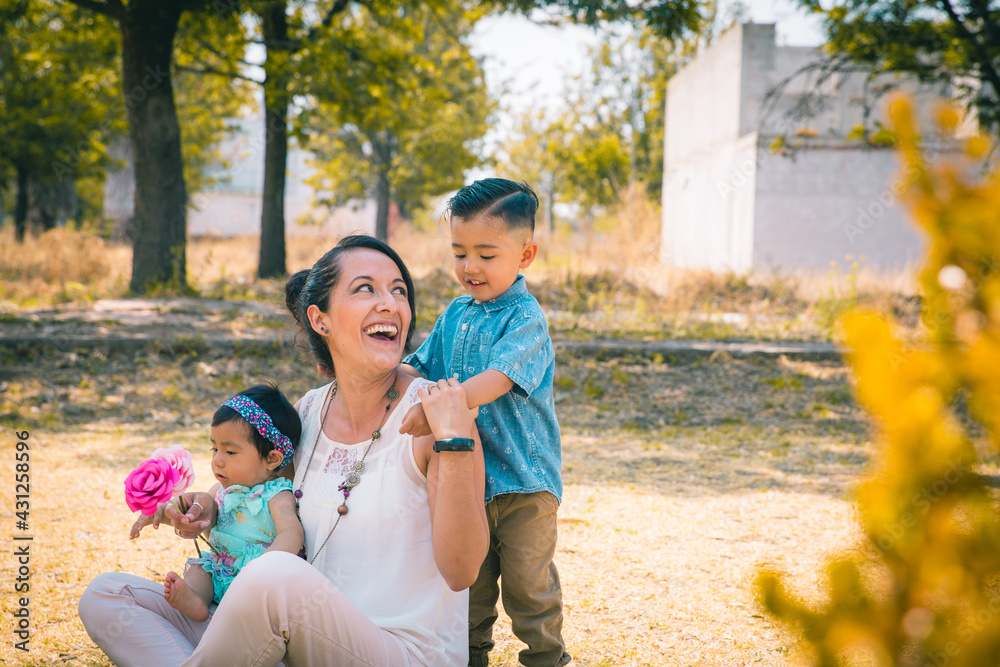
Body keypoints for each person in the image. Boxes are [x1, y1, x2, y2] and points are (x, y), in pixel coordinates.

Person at [78, 235, 489, 666]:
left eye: (399, 290)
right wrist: (198, 507)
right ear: (320, 319)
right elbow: (252, 495)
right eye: (366, 288)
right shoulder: (308, 411)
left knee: (275, 574)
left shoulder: (437, 415)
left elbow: (462, 572)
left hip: (397, 653)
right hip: (291, 637)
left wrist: (455, 440)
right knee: (108, 596)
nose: (390, 303)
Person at [398, 178, 571, 667]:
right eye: (459, 252)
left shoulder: (525, 320)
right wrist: (380, 376)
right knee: (469, 589)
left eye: (486, 254)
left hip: (523, 484)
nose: (470, 267)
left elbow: (495, 380)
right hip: (468, 483)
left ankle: (546, 657)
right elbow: (419, 364)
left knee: (527, 587)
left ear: (525, 254)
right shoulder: (456, 312)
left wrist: (433, 410)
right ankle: (469, 657)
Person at [129, 384, 304, 623]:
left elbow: (292, 532)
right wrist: (162, 512)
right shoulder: (220, 492)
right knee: (201, 569)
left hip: (257, 582)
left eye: (230, 452)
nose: (217, 461)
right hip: (221, 568)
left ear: (272, 458)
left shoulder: (275, 494)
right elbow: (198, 520)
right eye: (214, 448)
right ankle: (196, 599)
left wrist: (264, 569)